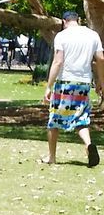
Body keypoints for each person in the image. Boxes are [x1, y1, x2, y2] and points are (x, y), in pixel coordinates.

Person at [44, 10, 104, 166]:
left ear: (64, 21)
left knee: (54, 119)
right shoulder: (93, 35)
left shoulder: (62, 36)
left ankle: (52, 157)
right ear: (79, 20)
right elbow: (101, 59)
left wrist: (49, 86)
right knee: (81, 118)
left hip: (65, 83)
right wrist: (101, 82)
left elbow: (57, 62)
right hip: (83, 83)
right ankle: (88, 144)